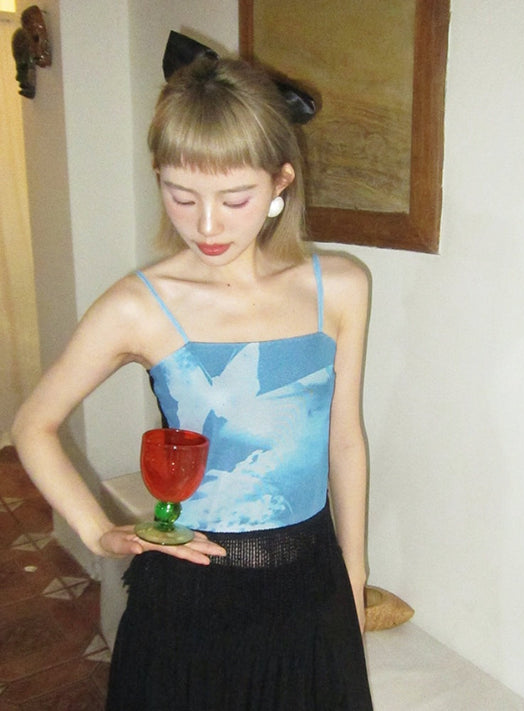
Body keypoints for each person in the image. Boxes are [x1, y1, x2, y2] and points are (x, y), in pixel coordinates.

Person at [12, 37, 373, 711]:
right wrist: (97, 531)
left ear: (280, 182)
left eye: (234, 198)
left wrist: (354, 575)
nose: (206, 225)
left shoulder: (341, 286)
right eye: (180, 196)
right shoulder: (138, 305)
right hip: (189, 593)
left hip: (310, 582)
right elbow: (34, 424)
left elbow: (344, 440)